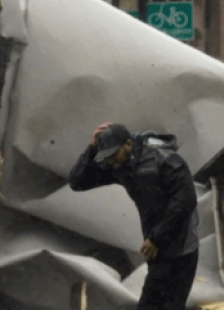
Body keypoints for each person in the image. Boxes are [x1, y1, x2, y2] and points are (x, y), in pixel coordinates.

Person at [69, 122, 199, 310]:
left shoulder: (166, 160)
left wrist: (157, 239)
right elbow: (77, 182)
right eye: (107, 157)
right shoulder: (120, 164)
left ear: (128, 145)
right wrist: (91, 148)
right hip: (156, 248)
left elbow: (184, 202)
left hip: (181, 248)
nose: (110, 162)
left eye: (113, 155)